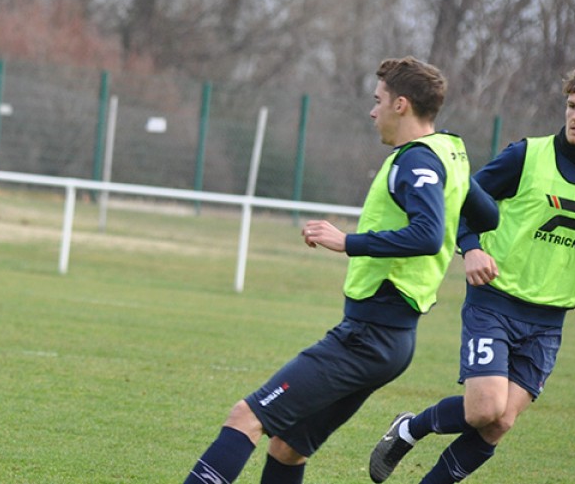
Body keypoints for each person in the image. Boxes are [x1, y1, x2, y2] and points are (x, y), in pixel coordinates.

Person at [183, 57, 498, 484]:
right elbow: (487, 214)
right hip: (393, 340)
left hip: (368, 337)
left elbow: (426, 235)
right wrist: (462, 233)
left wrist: (347, 242)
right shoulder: (450, 152)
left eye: (378, 100)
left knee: (246, 417)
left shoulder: (415, 162)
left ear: (401, 104)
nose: (372, 111)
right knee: (288, 447)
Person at [368, 64, 575, 484]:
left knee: (499, 423)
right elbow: (459, 199)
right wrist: (473, 247)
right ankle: (410, 429)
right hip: (494, 299)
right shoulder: (526, 156)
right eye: (572, 106)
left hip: (549, 318)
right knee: (484, 409)